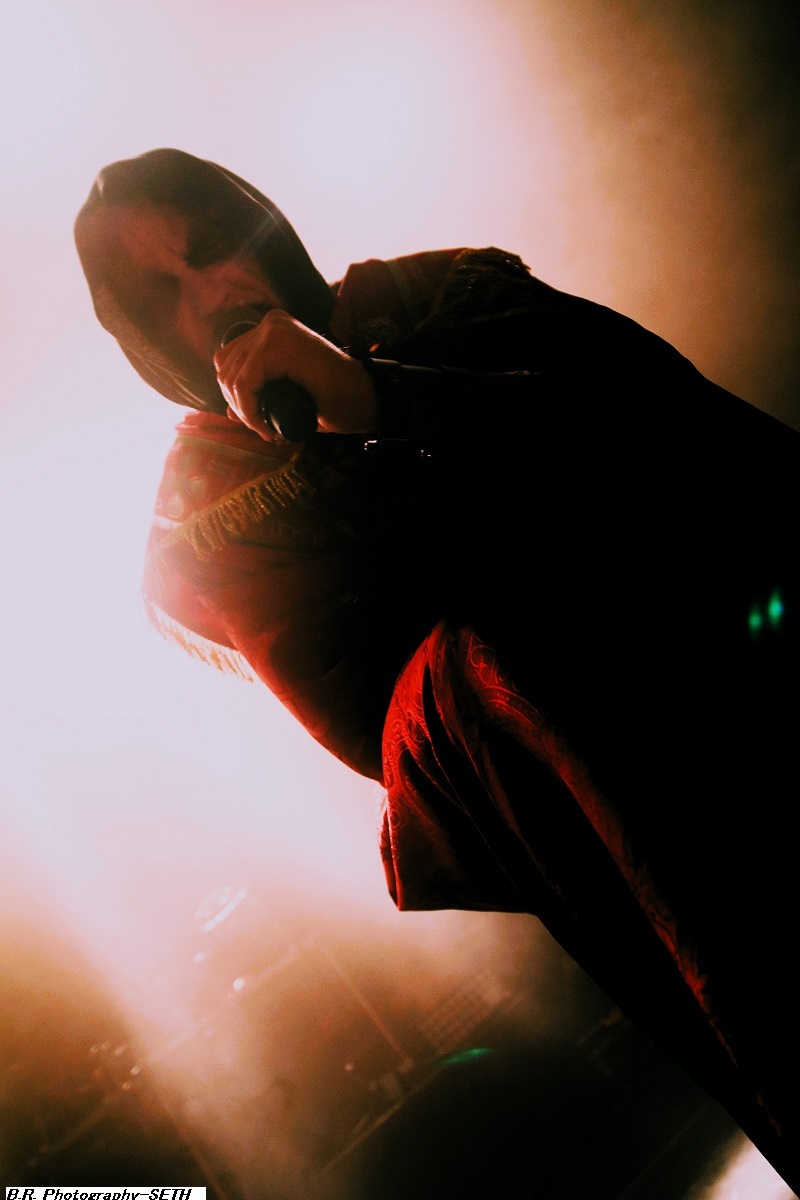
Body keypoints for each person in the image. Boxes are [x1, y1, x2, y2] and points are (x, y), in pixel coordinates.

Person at [74, 147, 799, 1194]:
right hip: (586, 745)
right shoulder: (211, 498)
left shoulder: (437, 293)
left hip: (718, 603)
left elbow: (664, 423)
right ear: (144, 340)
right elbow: (367, 711)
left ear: (261, 229)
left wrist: (381, 397)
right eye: (163, 295)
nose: (214, 292)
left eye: (214, 246)